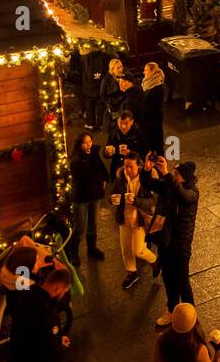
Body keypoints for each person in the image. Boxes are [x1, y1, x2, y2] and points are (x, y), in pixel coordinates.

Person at [154, 160, 199, 329]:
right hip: (166, 242)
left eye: (176, 174)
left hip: (181, 245)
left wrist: (166, 174)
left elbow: (183, 195)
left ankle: (190, 317)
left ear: (184, 178)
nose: (174, 176)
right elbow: (154, 184)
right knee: (168, 278)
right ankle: (172, 310)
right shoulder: (173, 187)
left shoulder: (192, 192)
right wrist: (149, 170)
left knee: (182, 281)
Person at [109, 154, 159, 289]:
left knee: (138, 250)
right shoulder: (120, 178)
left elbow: (153, 200)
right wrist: (112, 200)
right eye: (125, 166)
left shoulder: (146, 180)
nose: (127, 169)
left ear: (139, 166)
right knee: (126, 249)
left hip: (140, 220)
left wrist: (136, 201)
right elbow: (112, 194)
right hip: (124, 219)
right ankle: (131, 273)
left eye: (131, 166)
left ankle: (154, 261)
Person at [67, 132, 109, 265]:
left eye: (90, 141)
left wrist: (103, 178)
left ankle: (92, 248)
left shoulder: (93, 154)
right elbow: (88, 176)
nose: (88, 144)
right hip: (81, 197)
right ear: (79, 145)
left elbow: (100, 170)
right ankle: (73, 252)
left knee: (93, 224)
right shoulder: (76, 160)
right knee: (80, 226)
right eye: (85, 142)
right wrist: (99, 179)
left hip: (95, 195)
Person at [106, 109, 147, 178]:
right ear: (117, 121)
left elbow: (145, 153)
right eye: (121, 123)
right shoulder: (114, 134)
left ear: (132, 122)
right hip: (117, 170)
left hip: (134, 172)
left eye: (126, 123)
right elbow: (106, 152)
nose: (123, 126)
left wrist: (130, 153)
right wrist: (107, 152)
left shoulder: (139, 135)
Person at [138, 61, 167, 155]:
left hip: (153, 123)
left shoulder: (157, 87)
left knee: (156, 147)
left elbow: (153, 107)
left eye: (146, 70)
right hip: (148, 122)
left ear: (152, 72)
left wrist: (142, 114)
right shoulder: (148, 83)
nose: (144, 72)